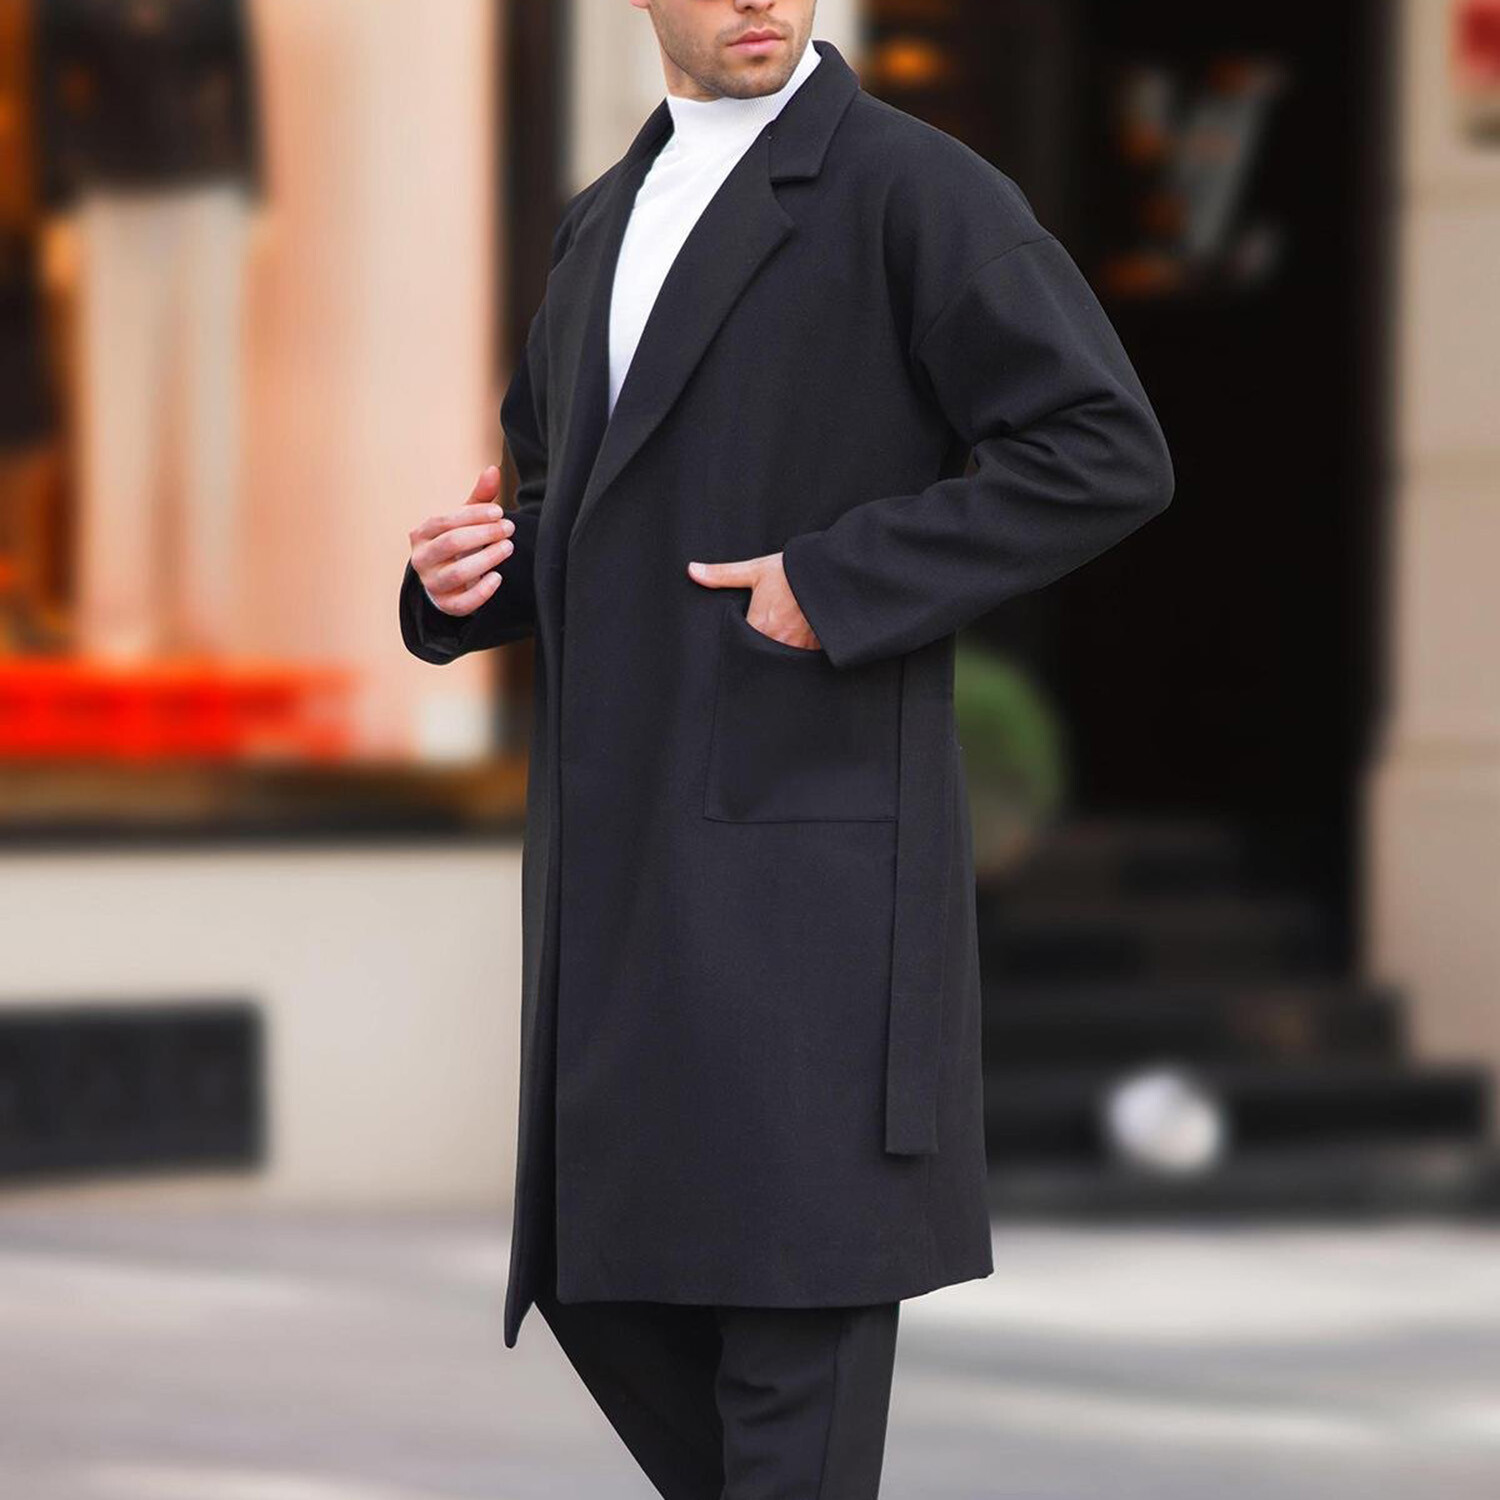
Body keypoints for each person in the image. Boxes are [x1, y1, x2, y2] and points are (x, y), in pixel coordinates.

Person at [400, 3, 1174, 1495]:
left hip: (809, 887)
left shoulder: (917, 190)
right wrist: (461, 586)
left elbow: (1103, 447)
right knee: (600, 1287)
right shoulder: (600, 221)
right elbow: (567, 505)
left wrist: (841, 579)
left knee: (788, 1333)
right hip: (619, 889)